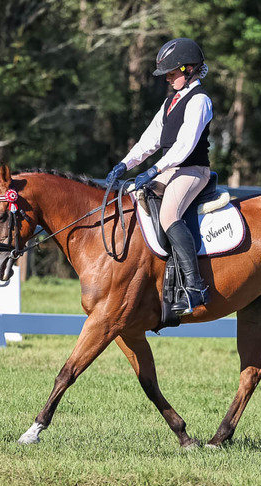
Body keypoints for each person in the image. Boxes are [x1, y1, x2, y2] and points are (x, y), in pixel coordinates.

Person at [105, 37, 212, 315]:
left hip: (192, 170)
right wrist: (124, 164)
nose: (168, 78)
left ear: (189, 70)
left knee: (168, 216)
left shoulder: (199, 100)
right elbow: (149, 141)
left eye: (172, 73)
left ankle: (195, 288)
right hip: (171, 169)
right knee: (132, 197)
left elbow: (184, 146)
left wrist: (153, 170)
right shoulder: (170, 102)